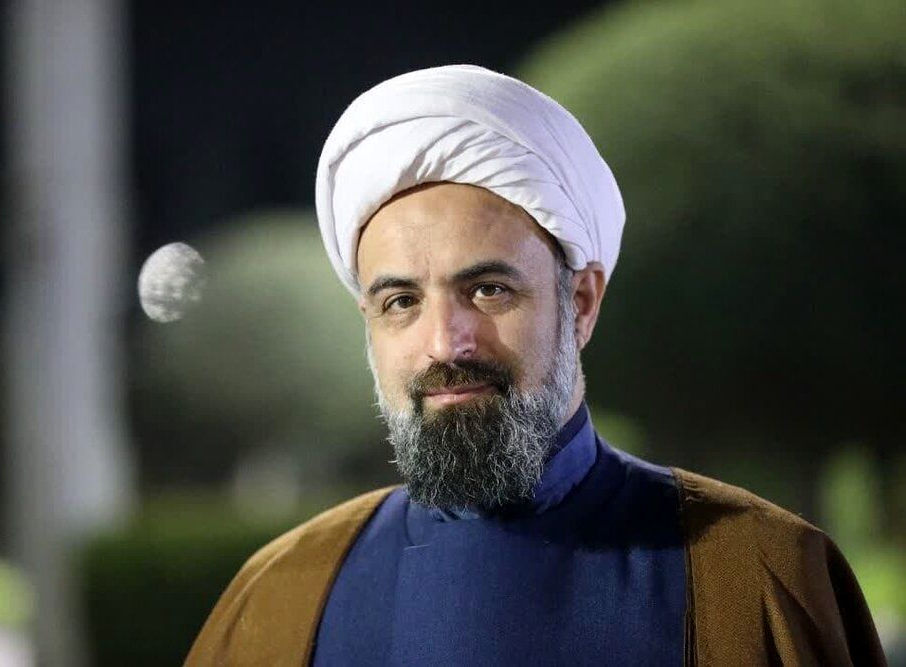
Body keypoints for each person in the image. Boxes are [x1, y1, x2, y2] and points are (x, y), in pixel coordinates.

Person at [185, 65, 885, 666]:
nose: (445, 344)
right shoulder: (278, 599)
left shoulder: (758, 578)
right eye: (401, 301)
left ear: (580, 302)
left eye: (488, 290)